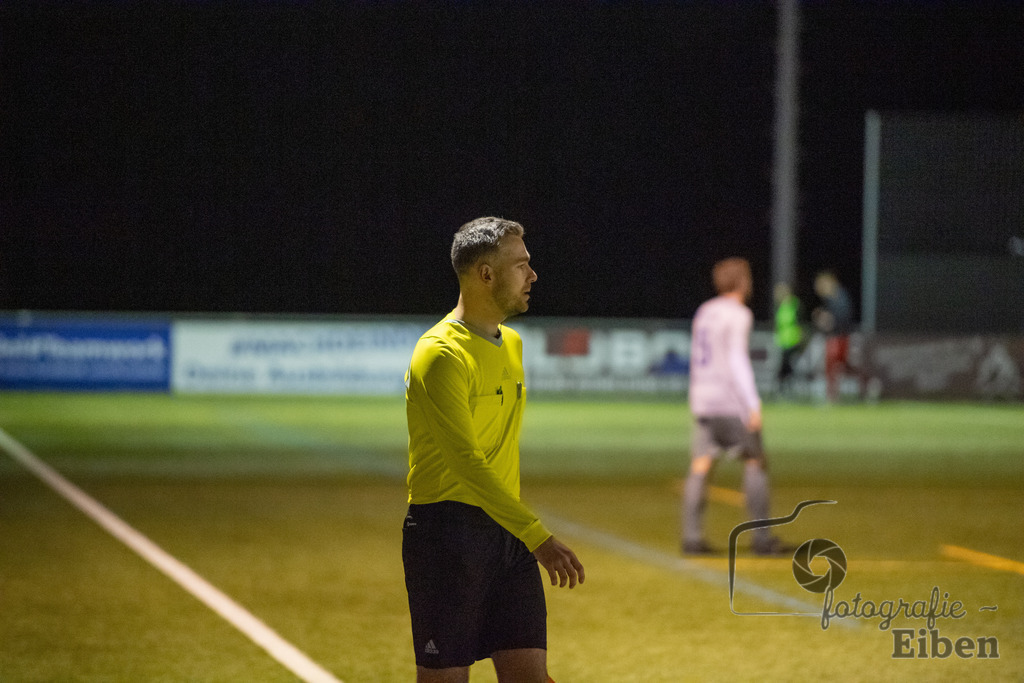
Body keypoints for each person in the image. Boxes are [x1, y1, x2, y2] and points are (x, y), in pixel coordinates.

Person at [403, 216, 584, 683]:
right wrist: (537, 536)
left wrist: (521, 532)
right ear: (486, 274)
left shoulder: (513, 344)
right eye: (521, 265)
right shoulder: (440, 354)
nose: (533, 275)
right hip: (448, 534)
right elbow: (467, 463)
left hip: (507, 531)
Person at [683, 258, 787, 556]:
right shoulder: (739, 314)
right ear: (742, 282)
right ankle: (762, 539)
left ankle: (691, 538)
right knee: (755, 461)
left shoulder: (705, 310)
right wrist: (752, 403)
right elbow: (736, 360)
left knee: (700, 465)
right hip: (728, 401)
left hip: (703, 399)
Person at [812, 270, 854, 403]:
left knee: (838, 366)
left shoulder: (839, 296)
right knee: (834, 368)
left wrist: (828, 319)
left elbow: (841, 318)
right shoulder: (831, 299)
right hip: (836, 337)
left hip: (838, 338)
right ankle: (832, 395)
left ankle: (833, 395)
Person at [773, 282, 804, 397]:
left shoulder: (794, 305)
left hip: (793, 341)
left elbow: (800, 322)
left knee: (786, 366)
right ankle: (785, 389)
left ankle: (784, 389)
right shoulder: (781, 307)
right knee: (785, 366)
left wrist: (800, 338)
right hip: (783, 341)